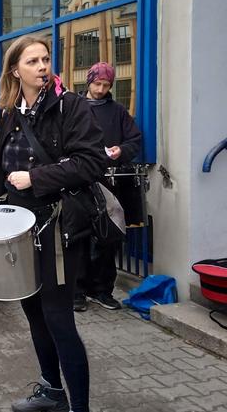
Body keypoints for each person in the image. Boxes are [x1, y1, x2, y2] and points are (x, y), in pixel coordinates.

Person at [0, 36, 105, 412]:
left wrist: (36, 177)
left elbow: (92, 162)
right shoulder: (12, 110)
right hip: (19, 229)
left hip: (58, 227)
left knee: (58, 318)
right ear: (15, 70)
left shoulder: (70, 106)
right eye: (33, 61)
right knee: (33, 311)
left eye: (45, 59)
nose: (42, 66)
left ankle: (80, 407)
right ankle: (52, 391)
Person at [73, 62, 142, 313]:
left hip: (110, 182)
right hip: (79, 181)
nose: (101, 89)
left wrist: (121, 150)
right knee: (79, 236)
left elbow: (134, 140)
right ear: (88, 82)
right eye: (97, 84)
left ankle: (102, 290)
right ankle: (77, 291)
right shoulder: (73, 106)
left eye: (106, 85)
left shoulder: (118, 111)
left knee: (108, 237)